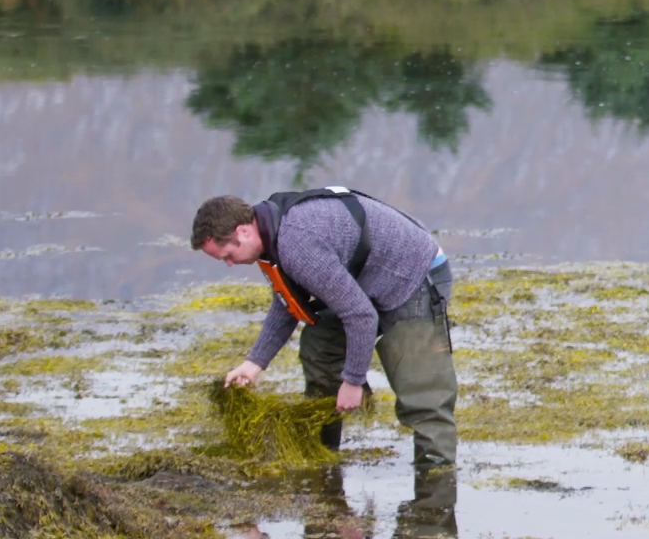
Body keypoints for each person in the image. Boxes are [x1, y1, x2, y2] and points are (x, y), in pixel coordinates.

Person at [191, 187, 457, 468]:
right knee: (319, 349)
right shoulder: (270, 235)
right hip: (365, 282)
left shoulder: (296, 242)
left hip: (413, 276)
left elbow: (361, 316)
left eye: (228, 255)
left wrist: (353, 381)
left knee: (422, 395)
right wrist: (253, 364)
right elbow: (288, 302)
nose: (230, 264)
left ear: (243, 231)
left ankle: (434, 492)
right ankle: (324, 461)